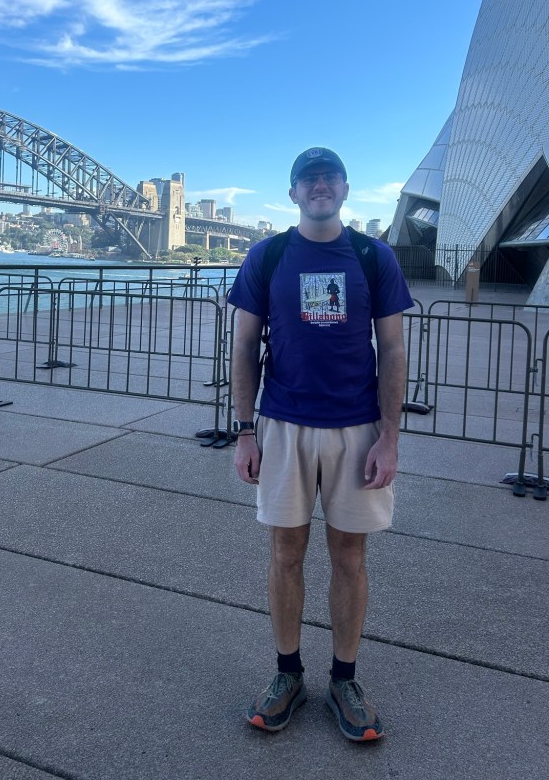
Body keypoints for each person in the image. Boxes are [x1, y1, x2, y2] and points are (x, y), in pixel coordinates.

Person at [228, 146, 413, 742]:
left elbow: (393, 350)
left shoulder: (373, 256)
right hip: (283, 424)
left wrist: (389, 437)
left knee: (350, 557)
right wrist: (244, 431)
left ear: (345, 188)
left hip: (357, 427)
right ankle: (287, 674)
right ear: (293, 193)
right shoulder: (267, 255)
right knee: (285, 552)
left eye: (329, 176)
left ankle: (344, 680)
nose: (319, 186)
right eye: (308, 179)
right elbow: (243, 346)